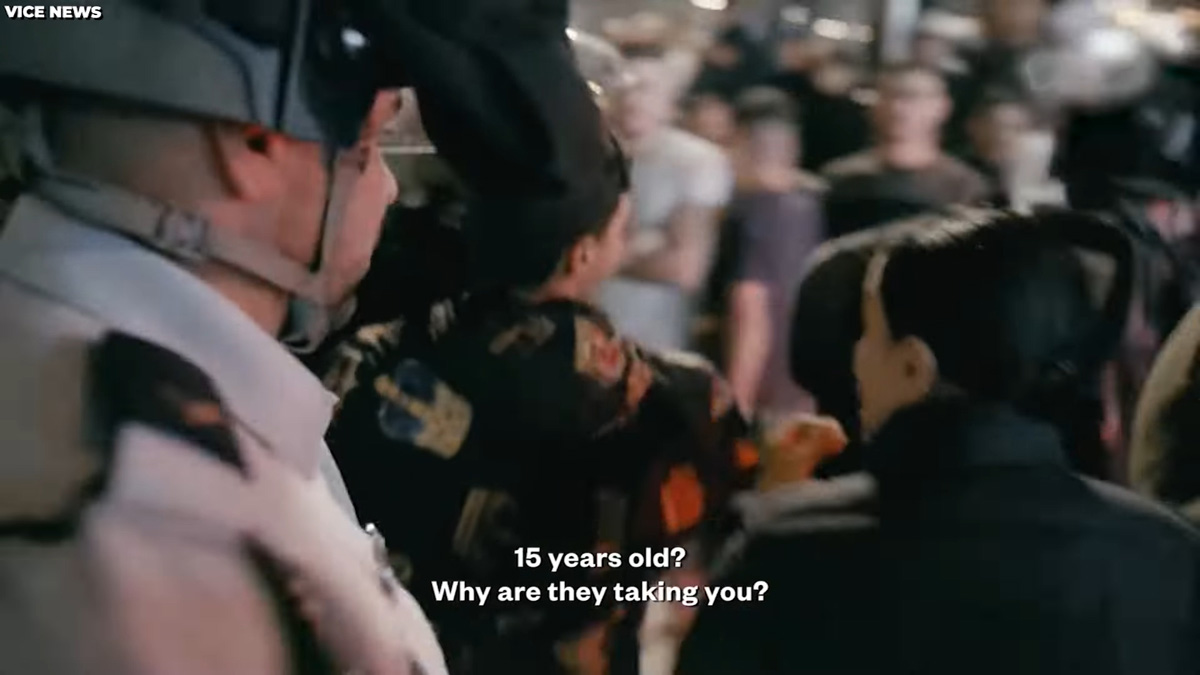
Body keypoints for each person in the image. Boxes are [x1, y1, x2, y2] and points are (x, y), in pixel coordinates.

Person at [0, 0, 591, 672]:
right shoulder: (173, 548)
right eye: (369, 145)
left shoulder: (129, 384)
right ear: (253, 143)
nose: (387, 191)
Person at [678, 209, 1200, 675]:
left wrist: (772, 509)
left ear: (914, 366)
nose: (857, 357)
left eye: (869, 331)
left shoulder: (785, 549)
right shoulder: (1166, 554)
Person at [597, 58, 734, 351]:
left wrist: (597, 258)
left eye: (645, 89)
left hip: (652, 342)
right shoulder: (591, 154)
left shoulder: (695, 161)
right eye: (624, 88)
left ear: (671, 101)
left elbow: (685, 267)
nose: (633, 99)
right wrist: (639, 248)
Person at [717, 88, 824, 418]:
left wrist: (737, 405)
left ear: (740, 142)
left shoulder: (760, 210)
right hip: (797, 386)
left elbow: (751, 307)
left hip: (758, 396)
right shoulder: (806, 204)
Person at [822, 62, 990, 238]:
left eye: (913, 97)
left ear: (942, 106)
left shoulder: (964, 186)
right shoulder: (839, 180)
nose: (899, 108)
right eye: (889, 96)